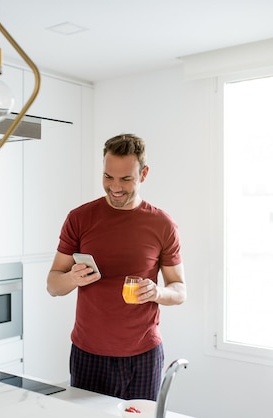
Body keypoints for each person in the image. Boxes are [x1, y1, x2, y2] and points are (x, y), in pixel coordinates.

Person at [47, 133, 186, 401]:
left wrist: (157, 292)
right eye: (108, 177)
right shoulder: (79, 219)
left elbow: (179, 290)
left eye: (126, 178)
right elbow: (53, 285)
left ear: (143, 174)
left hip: (143, 355)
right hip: (88, 354)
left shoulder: (163, 224)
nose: (115, 187)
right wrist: (73, 278)